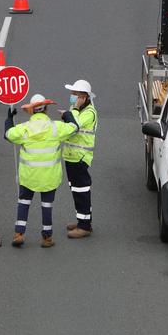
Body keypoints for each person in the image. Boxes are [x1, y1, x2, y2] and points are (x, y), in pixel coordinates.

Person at [4, 93, 79, 248]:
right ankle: (46, 238)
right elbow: (74, 128)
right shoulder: (56, 128)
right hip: (49, 177)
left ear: (32, 111)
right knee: (47, 205)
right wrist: (67, 115)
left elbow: (8, 134)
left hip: (29, 176)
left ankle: (19, 233)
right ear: (46, 110)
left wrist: (9, 118)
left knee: (24, 202)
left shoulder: (24, 128)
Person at [62, 79, 98, 238]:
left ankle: (84, 226)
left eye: (74, 94)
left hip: (80, 158)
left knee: (81, 191)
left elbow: (74, 124)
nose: (72, 96)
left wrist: (71, 112)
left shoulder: (88, 112)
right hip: (71, 157)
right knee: (76, 190)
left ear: (83, 97)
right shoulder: (77, 109)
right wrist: (68, 113)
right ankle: (82, 220)